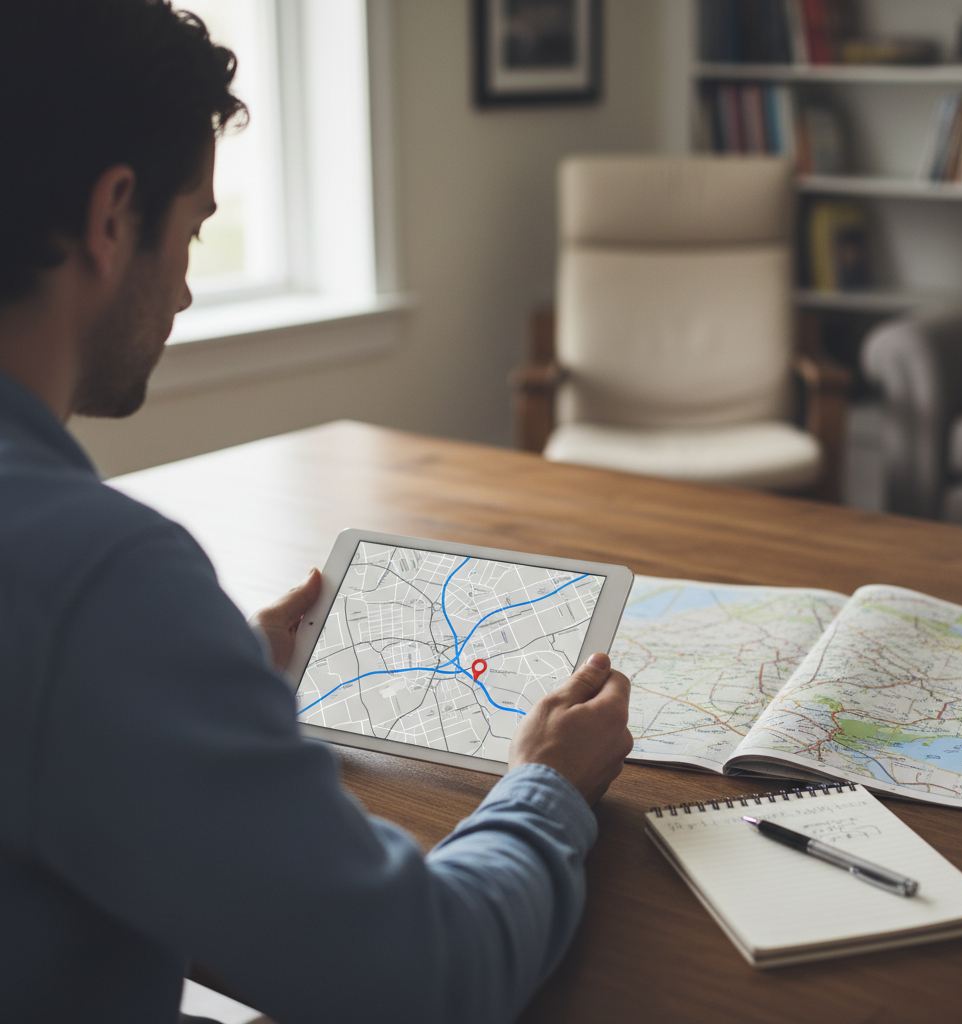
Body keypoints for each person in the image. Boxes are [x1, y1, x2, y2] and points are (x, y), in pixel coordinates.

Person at [0, 2, 634, 1022]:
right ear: (113, 216)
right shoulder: (98, 577)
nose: (188, 293)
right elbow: (429, 974)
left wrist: (203, 678)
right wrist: (548, 785)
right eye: (194, 228)